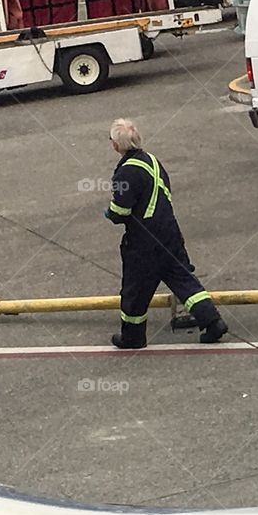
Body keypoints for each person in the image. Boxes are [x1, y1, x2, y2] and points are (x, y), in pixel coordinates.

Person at [104, 119, 228, 349]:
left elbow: (122, 208)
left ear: (116, 145)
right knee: (182, 279)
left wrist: (111, 214)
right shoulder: (152, 161)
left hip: (144, 241)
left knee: (135, 289)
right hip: (169, 232)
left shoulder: (126, 171)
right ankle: (212, 322)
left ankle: (133, 337)